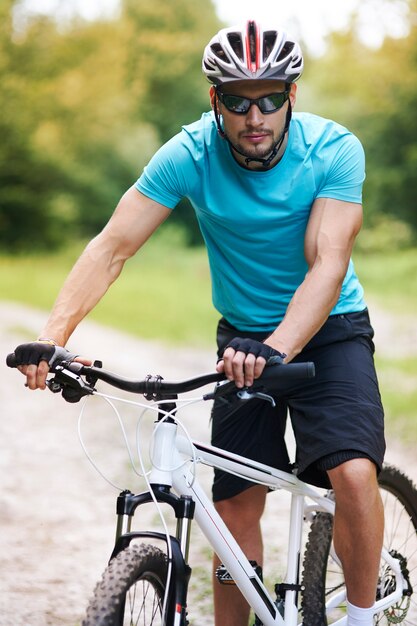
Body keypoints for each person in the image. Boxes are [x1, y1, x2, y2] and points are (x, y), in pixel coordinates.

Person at [12, 20, 385, 626]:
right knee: (235, 510)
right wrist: (54, 339)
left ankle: (365, 615)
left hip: (330, 328)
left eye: (269, 98)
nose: (255, 115)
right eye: (238, 100)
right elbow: (111, 247)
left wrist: (279, 348)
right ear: (216, 101)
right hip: (243, 337)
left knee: (351, 471)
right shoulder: (188, 154)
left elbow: (328, 262)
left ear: (292, 97)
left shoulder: (334, 150)